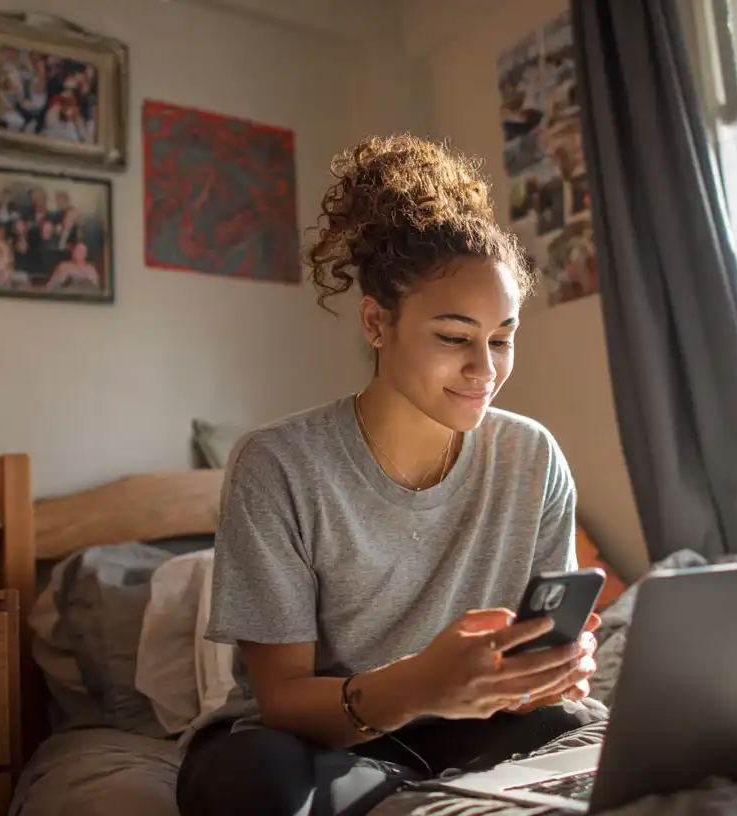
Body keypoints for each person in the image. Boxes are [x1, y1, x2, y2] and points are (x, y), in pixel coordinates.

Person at [175, 134, 603, 816]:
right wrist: (420, 688)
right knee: (248, 781)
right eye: (454, 337)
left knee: (593, 738)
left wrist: (554, 671)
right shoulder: (278, 465)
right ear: (378, 323)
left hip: (469, 730)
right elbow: (283, 699)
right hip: (316, 741)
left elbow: (530, 654)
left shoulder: (533, 456)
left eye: (501, 338)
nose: (485, 370)